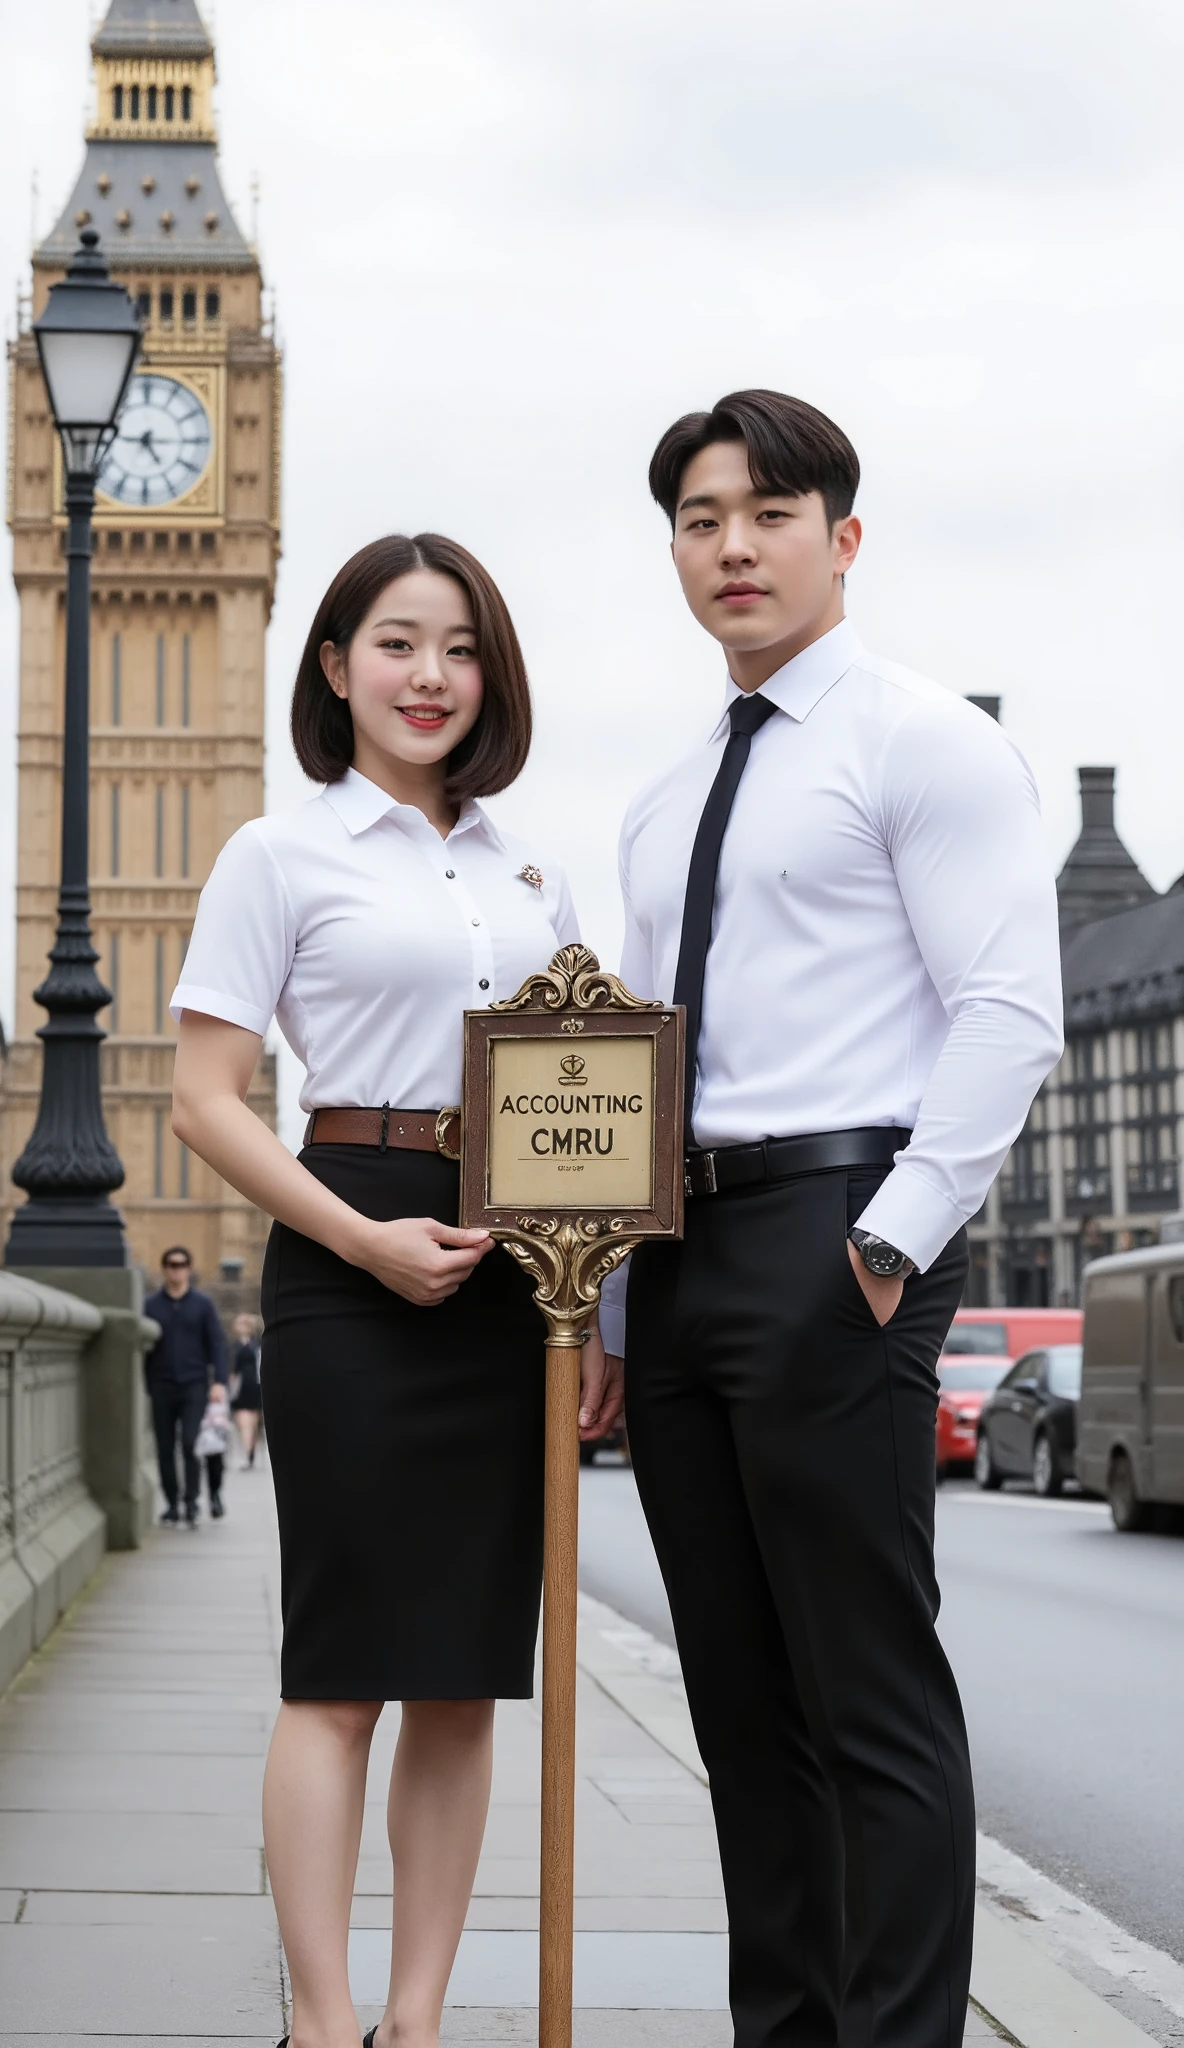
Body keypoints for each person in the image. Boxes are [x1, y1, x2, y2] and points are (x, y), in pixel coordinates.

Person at [599, 390, 1063, 2048]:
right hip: (675, 1257)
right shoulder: (659, 803)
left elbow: (1008, 1011)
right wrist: (603, 1308)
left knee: (864, 1694)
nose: (730, 544)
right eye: (698, 518)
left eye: (767, 513)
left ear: (841, 539)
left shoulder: (921, 739)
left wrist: (882, 1245)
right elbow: (635, 1067)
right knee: (737, 1701)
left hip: (831, 1223)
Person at [168, 532, 621, 2048]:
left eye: (462, 648)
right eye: (399, 643)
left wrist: (595, 1309)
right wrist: (358, 1241)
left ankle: (417, 2021)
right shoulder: (279, 854)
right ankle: (320, 2014)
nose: (431, 676)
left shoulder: (532, 876)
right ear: (335, 664)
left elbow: (584, 1109)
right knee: (346, 1666)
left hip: (511, 1270)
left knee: (462, 1676)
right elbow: (207, 1097)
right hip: (346, 1244)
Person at [144, 1246, 229, 1528]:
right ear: (164, 1268)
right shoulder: (151, 1305)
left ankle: (192, 1501)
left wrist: (219, 1381)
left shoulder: (203, 1304)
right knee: (165, 1447)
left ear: (188, 1269)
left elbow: (216, 1343)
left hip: (194, 1384)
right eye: (170, 1264)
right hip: (161, 1383)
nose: (176, 1269)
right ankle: (172, 1503)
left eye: (181, 1264)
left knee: (191, 1443)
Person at [195, 1380, 235, 1517]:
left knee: (215, 1464)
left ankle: (215, 1495)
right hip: (196, 1405)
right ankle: (194, 1498)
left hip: (215, 1431)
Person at [230, 1311, 264, 1467]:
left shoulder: (255, 1345)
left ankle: (249, 1453)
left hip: (252, 1385)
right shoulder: (235, 1346)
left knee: (251, 1422)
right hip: (242, 1386)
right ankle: (248, 1453)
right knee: (245, 1422)